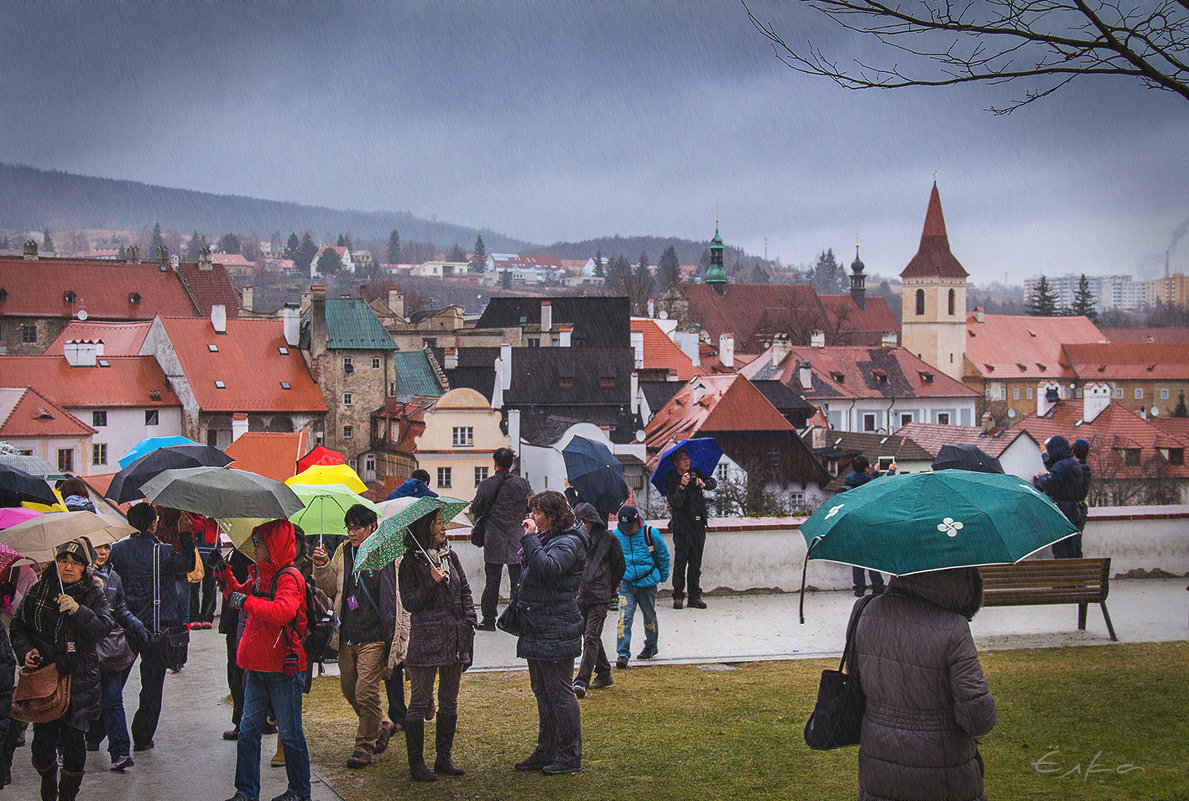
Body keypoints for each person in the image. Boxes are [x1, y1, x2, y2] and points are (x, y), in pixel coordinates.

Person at [850, 567, 996, 801]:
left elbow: (858, 684)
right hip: (943, 774)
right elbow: (978, 718)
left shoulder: (866, 612)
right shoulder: (953, 628)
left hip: (879, 770)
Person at [213, 520, 311, 801]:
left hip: (283, 666)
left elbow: (283, 611)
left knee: (291, 733)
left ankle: (300, 791)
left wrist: (244, 602)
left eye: (260, 543)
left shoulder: (289, 577)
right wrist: (225, 574)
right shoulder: (261, 575)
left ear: (274, 545)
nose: (254, 547)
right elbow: (240, 595)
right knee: (247, 731)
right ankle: (245, 791)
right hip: (258, 663)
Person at [11, 539, 113, 801]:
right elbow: (19, 627)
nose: (68, 567)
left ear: (85, 567)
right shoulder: (39, 590)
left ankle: (67, 795)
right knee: (42, 747)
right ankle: (47, 780)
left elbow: (103, 627)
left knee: (74, 744)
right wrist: (26, 652)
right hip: (45, 679)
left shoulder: (93, 592)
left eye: (75, 562)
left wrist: (79, 610)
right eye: (63, 561)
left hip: (79, 680)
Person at [311, 504, 398, 769]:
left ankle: (364, 745)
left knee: (365, 691)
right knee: (348, 688)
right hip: (347, 633)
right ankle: (383, 724)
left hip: (374, 635)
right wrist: (322, 566)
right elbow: (330, 589)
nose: (352, 533)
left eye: (357, 527)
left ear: (372, 527)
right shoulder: (343, 552)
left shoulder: (385, 553)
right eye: (349, 528)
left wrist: (393, 635)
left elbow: (394, 597)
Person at [107, 501, 195, 752]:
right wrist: (186, 533)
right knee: (152, 686)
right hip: (157, 628)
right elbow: (188, 565)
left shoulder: (117, 551)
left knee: (114, 682)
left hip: (125, 626)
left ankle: (96, 733)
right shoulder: (163, 552)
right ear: (153, 524)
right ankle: (142, 737)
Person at [398, 507, 476, 782]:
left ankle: (444, 757)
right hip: (426, 638)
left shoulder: (450, 556)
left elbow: (464, 589)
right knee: (420, 701)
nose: (444, 528)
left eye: (444, 522)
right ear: (425, 528)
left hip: (454, 636)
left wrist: (469, 619)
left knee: (449, 701)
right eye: (438, 523)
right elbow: (410, 603)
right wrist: (431, 582)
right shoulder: (410, 563)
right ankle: (417, 764)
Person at [513, 490, 588, 775]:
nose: (532, 517)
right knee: (542, 692)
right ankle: (546, 749)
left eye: (538, 513)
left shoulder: (568, 541)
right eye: (532, 511)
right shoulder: (552, 538)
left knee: (559, 692)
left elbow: (548, 569)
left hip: (556, 626)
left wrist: (531, 538)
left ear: (553, 516)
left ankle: (569, 755)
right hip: (540, 624)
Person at [86, 542, 151, 771]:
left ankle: (121, 752)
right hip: (83, 652)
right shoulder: (76, 579)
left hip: (109, 651)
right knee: (77, 702)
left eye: (105, 548)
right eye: (97, 548)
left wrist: (137, 626)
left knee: (113, 700)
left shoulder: (114, 578)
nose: (101, 552)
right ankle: (65, 750)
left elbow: (121, 608)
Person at [469, 447, 533, 631]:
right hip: (516, 538)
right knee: (518, 581)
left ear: (495, 463)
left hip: (494, 538)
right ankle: (517, 618)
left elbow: (476, 508)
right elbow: (530, 504)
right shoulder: (522, 484)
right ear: (512, 463)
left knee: (492, 582)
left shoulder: (487, 485)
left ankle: (489, 619)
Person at [571, 503, 624, 697]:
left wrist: (610, 588)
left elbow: (620, 565)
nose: (581, 525)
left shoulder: (608, 539)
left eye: (583, 522)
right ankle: (604, 672)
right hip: (582, 595)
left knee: (591, 637)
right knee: (590, 635)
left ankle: (581, 680)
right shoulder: (577, 539)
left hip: (600, 595)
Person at [612, 505, 670, 670]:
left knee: (649, 617)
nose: (627, 531)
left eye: (630, 528)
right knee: (625, 617)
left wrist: (662, 576)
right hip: (626, 584)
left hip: (647, 584)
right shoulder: (616, 536)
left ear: (637, 522)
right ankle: (622, 653)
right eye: (623, 528)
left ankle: (651, 646)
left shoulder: (651, 534)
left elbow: (663, 556)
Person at [663, 447, 717, 609]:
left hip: (698, 525)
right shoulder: (671, 478)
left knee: (695, 563)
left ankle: (695, 596)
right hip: (681, 527)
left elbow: (713, 484)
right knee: (680, 562)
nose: (686, 461)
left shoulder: (696, 472)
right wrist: (682, 485)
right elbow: (676, 502)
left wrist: (703, 483)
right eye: (682, 459)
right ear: (675, 463)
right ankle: (678, 596)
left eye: (687, 458)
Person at [840, 456, 893, 597]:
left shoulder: (849, 480)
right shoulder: (869, 482)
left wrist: (873, 473)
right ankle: (877, 586)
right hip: (869, 521)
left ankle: (859, 588)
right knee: (872, 556)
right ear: (866, 469)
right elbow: (885, 485)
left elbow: (863, 481)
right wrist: (891, 472)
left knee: (857, 557)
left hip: (854, 522)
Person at [1035, 435, 1088, 558]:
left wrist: (1042, 478)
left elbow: (1051, 483)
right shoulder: (1074, 464)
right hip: (1074, 510)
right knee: (1073, 547)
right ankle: (1076, 574)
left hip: (1062, 510)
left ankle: (1063, 576)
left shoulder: (1061, 466)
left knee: (1061, 548)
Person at [189, 513, 220, 629]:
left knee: (210, 584)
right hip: (195, 545)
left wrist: (213, 515)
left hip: (212, 544)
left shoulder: (218, 502)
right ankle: (194, 617)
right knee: (193, 584)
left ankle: (207, 616)